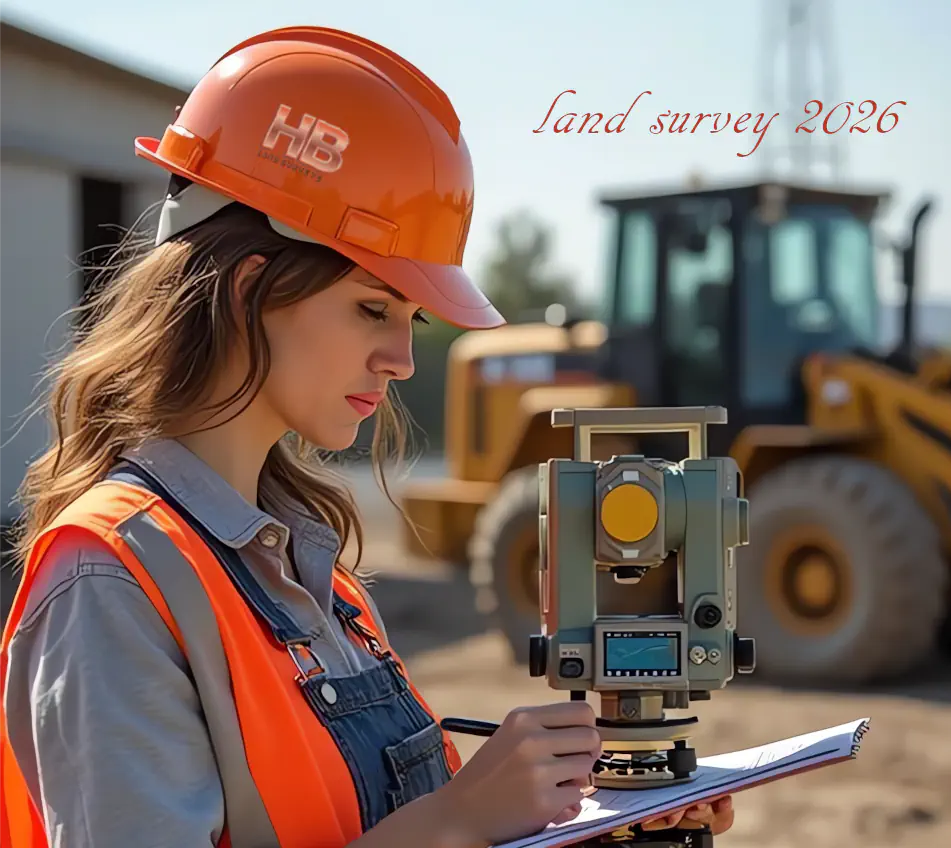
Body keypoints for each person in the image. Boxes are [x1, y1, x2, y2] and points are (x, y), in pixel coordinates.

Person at [0, 25, 735, 848]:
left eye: (409, 319)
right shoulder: (110, 582)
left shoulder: (317, 578)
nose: (401, 360)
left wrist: (584, 829)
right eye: (372, 307)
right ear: (250, 288)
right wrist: (458, 818)